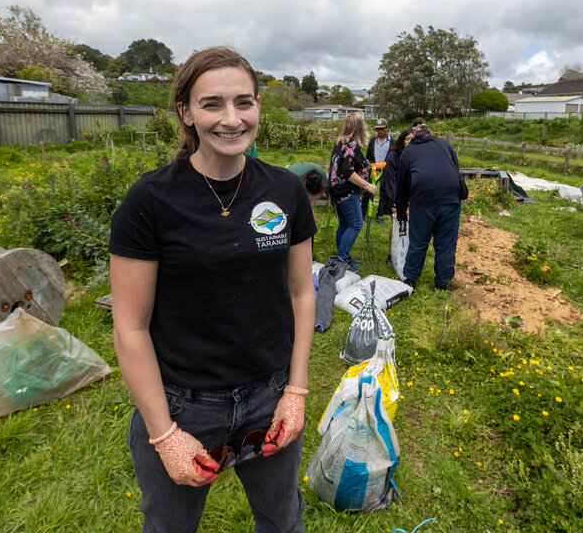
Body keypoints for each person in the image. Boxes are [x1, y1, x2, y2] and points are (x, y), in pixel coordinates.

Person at [109, 46, 316, 533]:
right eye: (212, 104)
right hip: (182, 403)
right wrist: (164, 435)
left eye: (244, 102)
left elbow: (302, 293)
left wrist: (296, 390)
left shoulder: (285, 191)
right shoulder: (151, 200)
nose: (231, 119)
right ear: (185, 112)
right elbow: (130, 325)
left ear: (259, 107)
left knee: (283, 521)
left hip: (270, 395)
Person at [395, 123, 462, 291]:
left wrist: (401, 212)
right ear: (431, 135)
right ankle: (443, 283)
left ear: (415, 137)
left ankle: (411, 280)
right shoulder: (445, 144)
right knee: (446, 243)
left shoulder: (409, 151)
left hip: (423, 201)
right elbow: (456, 170)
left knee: (418, 242)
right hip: (451, 200)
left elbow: (402, 185)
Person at [328, 113, 375, 272]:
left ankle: (341, 257)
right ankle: (342, 259)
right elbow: (348, 172)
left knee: (344, 224)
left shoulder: (340, 143)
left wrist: (330, 194)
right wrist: (367, 185)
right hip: (346, 191)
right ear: (359, 127)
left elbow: (333, 169)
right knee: (355, 224)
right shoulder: (351, 145)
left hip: (336, 190)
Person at [380, 128, 415, 265]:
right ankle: (391, 254)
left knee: (409, 226)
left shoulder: (415, 156)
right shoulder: (393, 156)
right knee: (396, 225)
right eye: (408, 139)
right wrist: (397, 204)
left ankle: (405, 253)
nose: (410, 141)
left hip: (410, 195)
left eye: (413, 139)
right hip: (392, 194)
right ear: (402, 140)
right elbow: (391, 181)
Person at [362, 119, 391, 224]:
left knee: (383, 193)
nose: (380, 131)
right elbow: (368, 157)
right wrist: (371, 166)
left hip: (386, 171)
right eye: (378, 129)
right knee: (368, 191)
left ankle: (380, 215)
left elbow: (394, 157)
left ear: (387, 128)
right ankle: (363, 213)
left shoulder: (393, 142)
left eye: (382, 128)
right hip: (373, 170)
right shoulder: (372, 141)